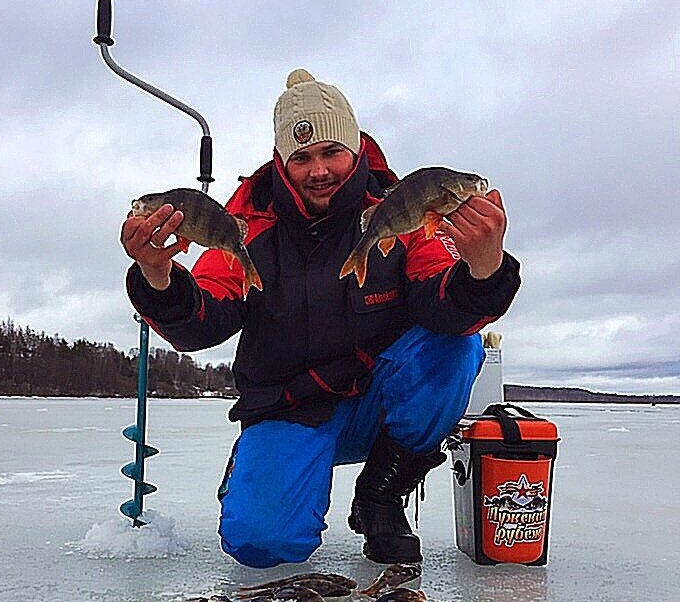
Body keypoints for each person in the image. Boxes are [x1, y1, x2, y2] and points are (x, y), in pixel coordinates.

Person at [121, 69, 520, 570]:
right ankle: (256, 466)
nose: (319, 170)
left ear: (354, 151)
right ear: (282, 163)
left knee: (457, 346)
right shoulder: (249, 227)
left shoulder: (400, 213)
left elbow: (441, 300)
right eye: (302, 157)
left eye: (331, 152)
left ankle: (380, 496)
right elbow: (204, 316)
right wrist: (158, 277)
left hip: (378, 404)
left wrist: (484, 269)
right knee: (262, 544)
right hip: (291, 409)